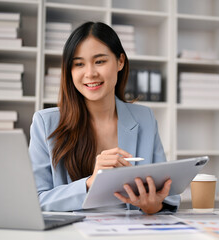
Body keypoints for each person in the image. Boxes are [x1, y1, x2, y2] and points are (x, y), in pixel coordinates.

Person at [29, 21, 180, 214]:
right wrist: (91, 182)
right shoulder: (45, 124)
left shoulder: (144, 118)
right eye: (79, 64)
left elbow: (165, 192)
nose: (90, 73)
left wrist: (153, 205)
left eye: (99, 61)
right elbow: (36, 200)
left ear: (120, 62)